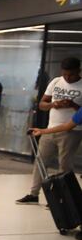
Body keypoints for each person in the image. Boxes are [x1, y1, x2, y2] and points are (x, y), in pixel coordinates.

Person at [16, 57, 82, 205]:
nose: (67, 77)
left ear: (78, 71)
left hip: (72, 131)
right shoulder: (56, 81)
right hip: (50, 128)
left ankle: (64, 197)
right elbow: (42, 104)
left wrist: (72, 105)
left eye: (71, 74)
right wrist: (54, 104)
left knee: (64, 165)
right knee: (41, 161)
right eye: (65, 74)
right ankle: (34, 194)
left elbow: (78, 116)